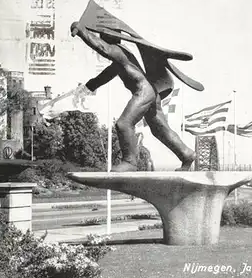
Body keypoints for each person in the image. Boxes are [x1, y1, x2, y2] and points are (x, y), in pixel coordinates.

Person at [70, 21, 195, 172]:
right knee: (159, 129)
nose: (101, 37)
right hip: (151, 92)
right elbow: (109, 73)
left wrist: (82, 31)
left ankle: (130, 162)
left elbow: (101, 47)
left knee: (124, 124)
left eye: (102, 34)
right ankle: (186, 154)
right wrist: (91, 85)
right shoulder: (121, 54)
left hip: (144, 92)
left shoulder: (116, 50)